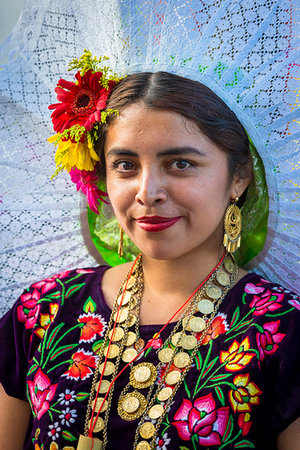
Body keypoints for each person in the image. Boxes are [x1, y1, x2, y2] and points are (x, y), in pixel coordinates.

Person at [0, 57, 299, 450]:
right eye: (125, 164)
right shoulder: (43, 312)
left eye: (180, 163)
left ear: (238, 177)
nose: (147, 191)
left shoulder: (282, 332)